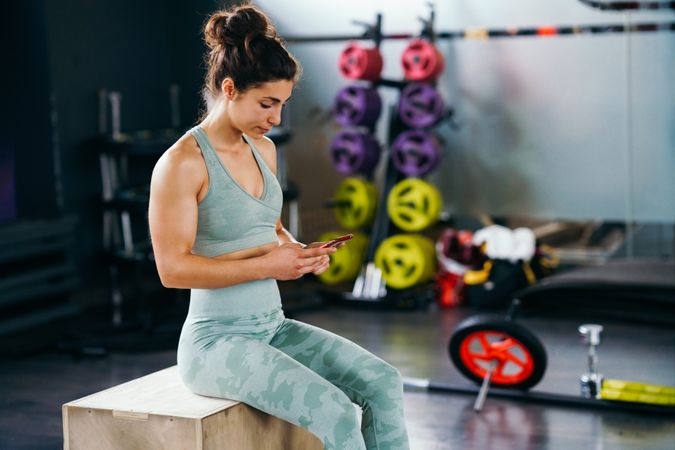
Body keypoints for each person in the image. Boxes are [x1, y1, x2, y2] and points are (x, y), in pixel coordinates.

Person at [148, 4, 410, 449]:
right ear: (229, 89)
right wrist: (271, 265)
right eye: (267, 104)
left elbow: (268, 229)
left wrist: (300, 251)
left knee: (383, 382)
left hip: (273, 328)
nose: (276, 118)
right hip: (216, 344)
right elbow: (173, 271)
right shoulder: (181, 163)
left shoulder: (263, 150)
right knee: (332, 410)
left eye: (282, 105)